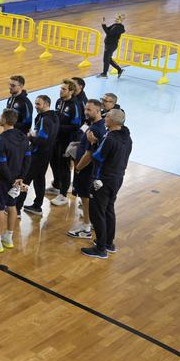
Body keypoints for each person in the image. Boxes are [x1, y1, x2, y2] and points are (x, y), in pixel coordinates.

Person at [75, 109, 132, 258]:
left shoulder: (110, 138)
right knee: (108, 210)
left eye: (107, 117)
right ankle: (108, 243)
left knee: (97, 213)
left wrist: (94, 143)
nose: (105, 118)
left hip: (103, 180)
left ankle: (100, 249)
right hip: (117, 178)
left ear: (113, 121)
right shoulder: (127, 137)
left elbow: (98, 157)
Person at [0, 109, 32, 253]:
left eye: (0, 116)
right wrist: (20, 178)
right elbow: (27, 159)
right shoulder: (23, 137)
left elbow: (1, 164)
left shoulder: (1, 140)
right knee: (12, 205)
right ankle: (8, 237)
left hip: (1, 180)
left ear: (5, 120)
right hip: (16, 179)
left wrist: (12, 181)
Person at [67, 99, 107, 239]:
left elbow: (89, 154)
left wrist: (78, 168)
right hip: (90, 171)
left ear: (98, 111)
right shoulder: (99, 125)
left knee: (85, 198)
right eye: (85, 109)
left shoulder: (94, 130)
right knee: (87, 198)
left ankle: (86, 228)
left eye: (89, 110)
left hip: (86, 171)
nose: (86, 112)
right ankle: (90, 224)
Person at [20, 94, 59, 216]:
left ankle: (16, 207)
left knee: (25, 179)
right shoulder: (53, 116)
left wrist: (30, 137)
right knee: (39, 179)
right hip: (46, 154)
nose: (36, 106)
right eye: (35, 103)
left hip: (38, 154)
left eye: (38, 104)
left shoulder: (45, 119)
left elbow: (42, 139)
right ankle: (37, 206)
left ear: (46, 105)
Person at [50, 78, 82, 206]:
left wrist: (57, 127)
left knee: (64, 167)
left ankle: (63, 194)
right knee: (54, 162)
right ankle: (57, 185)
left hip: (67, 141)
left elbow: (76, 125)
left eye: (64, 89)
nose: (61, 91)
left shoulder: (75, 105)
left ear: (71, 91)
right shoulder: (59, 101)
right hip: (56, 139)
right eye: (60, 89)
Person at [98, 13, 126, 78]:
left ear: (121, 20)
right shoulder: (115, 25)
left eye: (117, 19)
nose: (116, 20)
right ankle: (119, 70)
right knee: (108, 59)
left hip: (111, 45)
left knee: (106, 59)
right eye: (115, 18)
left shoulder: (119, 27)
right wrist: (103, 24)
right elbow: (107, 29)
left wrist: (103, 24)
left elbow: (109, 33)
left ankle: (104, 74)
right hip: (109, 44)